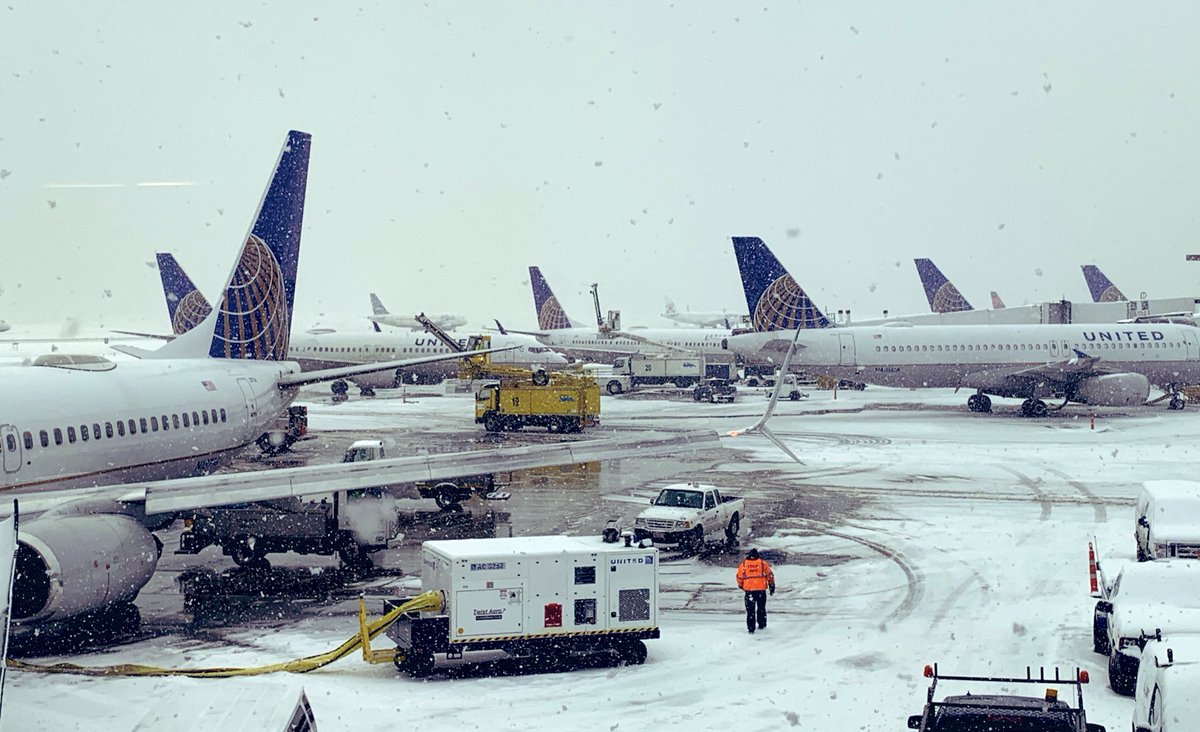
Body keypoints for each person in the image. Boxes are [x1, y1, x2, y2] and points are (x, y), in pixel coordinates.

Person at [736, 548, 775, 634]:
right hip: (761, 590)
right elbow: (769, 575)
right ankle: (762, 624)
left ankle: (751, 628)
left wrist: (741, 585)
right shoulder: (762, 563)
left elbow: (739, 577)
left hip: (749, 591)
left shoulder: (744, 564)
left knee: (750, 610)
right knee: (761, 608)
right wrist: (771, 585)